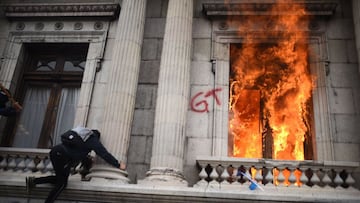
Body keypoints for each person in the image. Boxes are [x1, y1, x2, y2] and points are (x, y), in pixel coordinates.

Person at [26, 126, 126, 203]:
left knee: (60, 178)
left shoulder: (80, 137)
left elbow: (81, 157)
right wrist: (118, 164)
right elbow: (104, 154)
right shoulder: (92, 140)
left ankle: (34, 181)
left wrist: (86, 166)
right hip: (63, 157)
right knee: (62, 184)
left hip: (56, 152)